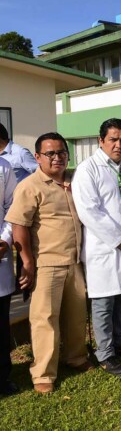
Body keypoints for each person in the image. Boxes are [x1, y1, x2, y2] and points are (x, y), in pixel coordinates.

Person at [9, 134, 87, 394]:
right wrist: (27, 263)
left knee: (76, 317)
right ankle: (43, 373)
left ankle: (75, 358)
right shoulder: (30, 186)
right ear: (38, 157)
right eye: (50, 153)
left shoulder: (74, 181)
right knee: (45, 320)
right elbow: (19, 226)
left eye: (61, 152)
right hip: (47, 264)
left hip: (74, 261)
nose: (57, 157)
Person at [71, 118, 121, 377]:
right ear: (101, 141)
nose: (119, 144)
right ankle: (104, 353)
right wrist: (120, 239)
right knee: (103, 303)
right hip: (103, 247)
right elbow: (89, 211)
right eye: (113, 139)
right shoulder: (88, 170)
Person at [0, 152, 16, 396]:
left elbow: (12, 206)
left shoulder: (3, 167)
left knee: (1, 323)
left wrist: (4, 239)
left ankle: (2, 377)